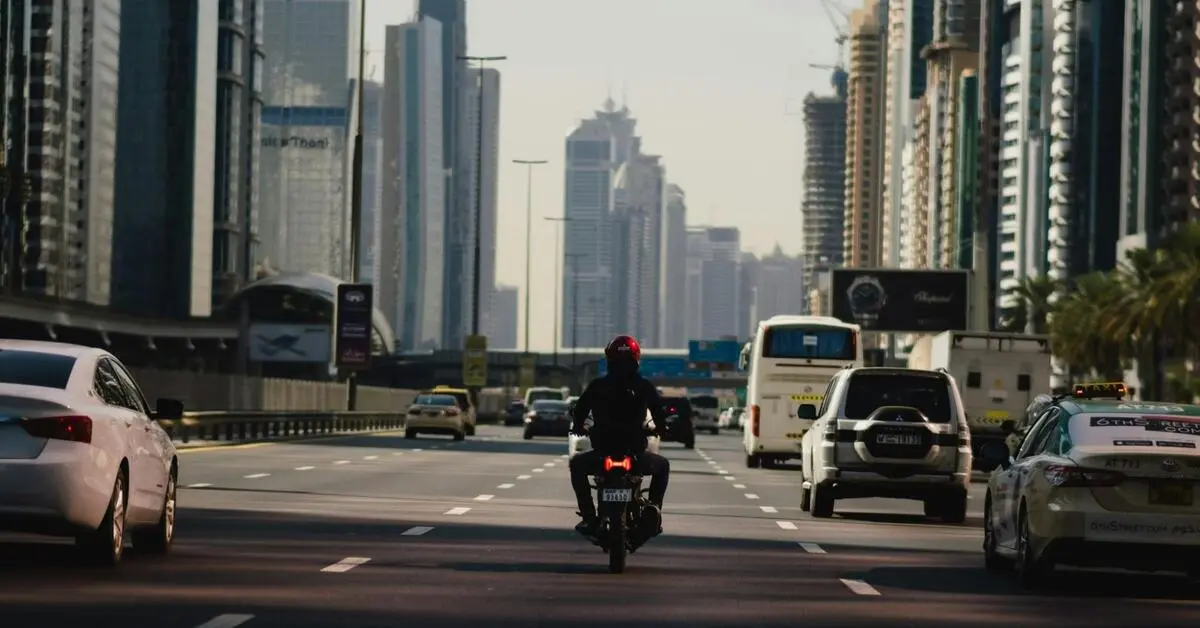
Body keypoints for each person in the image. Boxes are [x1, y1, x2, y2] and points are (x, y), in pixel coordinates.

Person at [568, 334, 672, 538]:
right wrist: (661, 428)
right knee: (663, 466)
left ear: (609, 358)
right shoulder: (644, 386)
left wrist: (579, 426)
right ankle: (653, 509)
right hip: (634, 452)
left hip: (602, 452)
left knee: (577, 465)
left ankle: (589, 516)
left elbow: (580, 410)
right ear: (636, 358)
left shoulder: (598, 386)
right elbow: (658, 413)